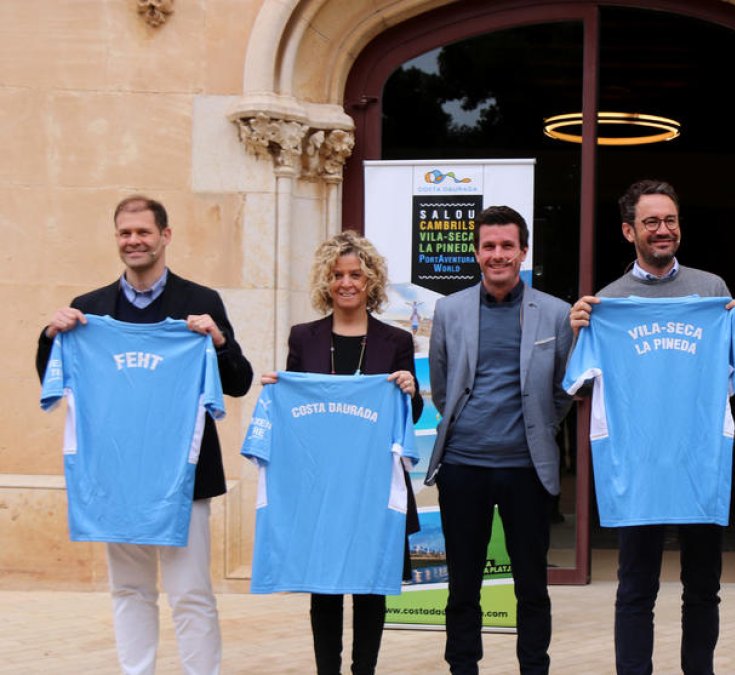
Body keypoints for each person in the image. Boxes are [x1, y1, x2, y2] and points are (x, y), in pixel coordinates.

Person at [35, 195, 253, 675]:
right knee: (129, 590)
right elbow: (54, 378)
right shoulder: (88, 311)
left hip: (184, 477)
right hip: (117, 476)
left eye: (143, 232)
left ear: (165, 236)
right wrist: (52, 336)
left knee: (191, 592)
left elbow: (237, 382)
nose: (134, 241)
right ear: (116, 238)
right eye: (125, 233)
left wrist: (216, 340)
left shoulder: (201, 302)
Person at [570, 179, 735, 675]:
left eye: (670, 220)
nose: (662, 229)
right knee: (635, 589)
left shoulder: (713, 291)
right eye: (651, 222)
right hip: (639, 466)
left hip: (699, 463)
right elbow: (581, 387)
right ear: (629, 231)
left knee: (703, 588)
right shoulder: (608, 302)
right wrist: (579, 331)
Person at [260, 231, 423, 674]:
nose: (346, 283)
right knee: (325, 586)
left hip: (373, 485)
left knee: (371, 586)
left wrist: (409, 390)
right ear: (325, 281)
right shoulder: (304, 338)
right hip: (321, 486)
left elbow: (411, 413)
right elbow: (297, 412)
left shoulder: (394, 342)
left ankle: (364, 671)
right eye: (337, 275)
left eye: (356, 274)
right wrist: (278, 392)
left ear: (371, 280)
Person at [425, 205, 573, 675]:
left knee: (531, 585)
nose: (498, 255)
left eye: (507, 245)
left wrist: (537, 427)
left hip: (527, 469)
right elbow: (444, 386)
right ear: (476, 252)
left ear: (523, 252)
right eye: (488, 246)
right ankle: (462, 667)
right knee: (462, 585)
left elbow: (563, 390)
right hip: (463, 466)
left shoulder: (556, 314)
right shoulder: (449, 310)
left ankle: (534, 668)